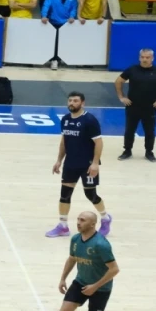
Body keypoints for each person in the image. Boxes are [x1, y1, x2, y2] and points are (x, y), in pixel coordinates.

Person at [58, 211, 125, 311]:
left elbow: (114, 269)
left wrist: (95, 286)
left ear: (93, 224)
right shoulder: (75, 239)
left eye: (82, 220)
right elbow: (72, 258)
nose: (78, 222)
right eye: (78, 219)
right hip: (80, 281)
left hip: (101, 287)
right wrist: (63, 278)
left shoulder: (101, 244)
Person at [46, 92, 111, 238]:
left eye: (75, 101)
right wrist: (59, 160)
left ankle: (105, 218)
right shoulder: (65, 119)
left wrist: (95, 163)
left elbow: (98, 142)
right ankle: (63, 226)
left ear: (83, 103)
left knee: (91, 195)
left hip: (87, 164)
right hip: (71, 163)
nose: (72, 103)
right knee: (64, 195)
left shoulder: (89, 120)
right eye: (70, 100)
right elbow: (64, 141)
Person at [115, 49, 156, 160]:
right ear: (139, 57)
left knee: (150, 131)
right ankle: (127, 151)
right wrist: (121, 97)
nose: (144, 59)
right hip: (132, 106)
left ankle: (149, 152)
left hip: (150, 107)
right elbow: (118, 81)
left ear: (152, 58)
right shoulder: (132, 70)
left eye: (147, 57)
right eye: (142, 57)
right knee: (129, 130)